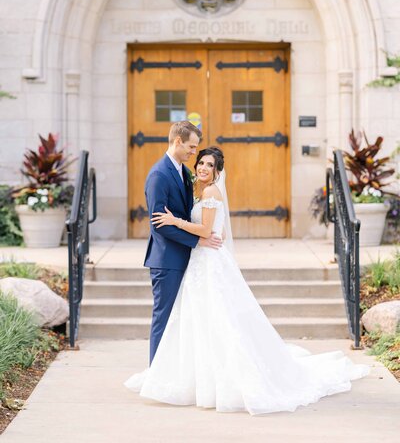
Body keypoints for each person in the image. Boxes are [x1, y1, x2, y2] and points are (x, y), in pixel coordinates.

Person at [125, 146, 370, 415]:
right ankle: (195, 378)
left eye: (210, 165)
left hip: (209, 263)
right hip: (200, 261)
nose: (204, 168)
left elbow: (206, 230)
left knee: (220, 320)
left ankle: (223, 380)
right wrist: (201, 232)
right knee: (201, 320)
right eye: (201, 163)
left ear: (218, 172)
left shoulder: (210, 192)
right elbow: (216, 229)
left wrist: (175, 221)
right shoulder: (198, 191)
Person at [143, 121, 222, 363]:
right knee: (164, 318)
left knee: (182, 319)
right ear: (177, 141)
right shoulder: (159, 175)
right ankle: (155, 372)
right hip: (167, 260)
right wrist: (198, 240)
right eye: (191, 146)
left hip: (186, 258)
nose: (194, 153)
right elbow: (160, 223)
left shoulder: (182, 171)